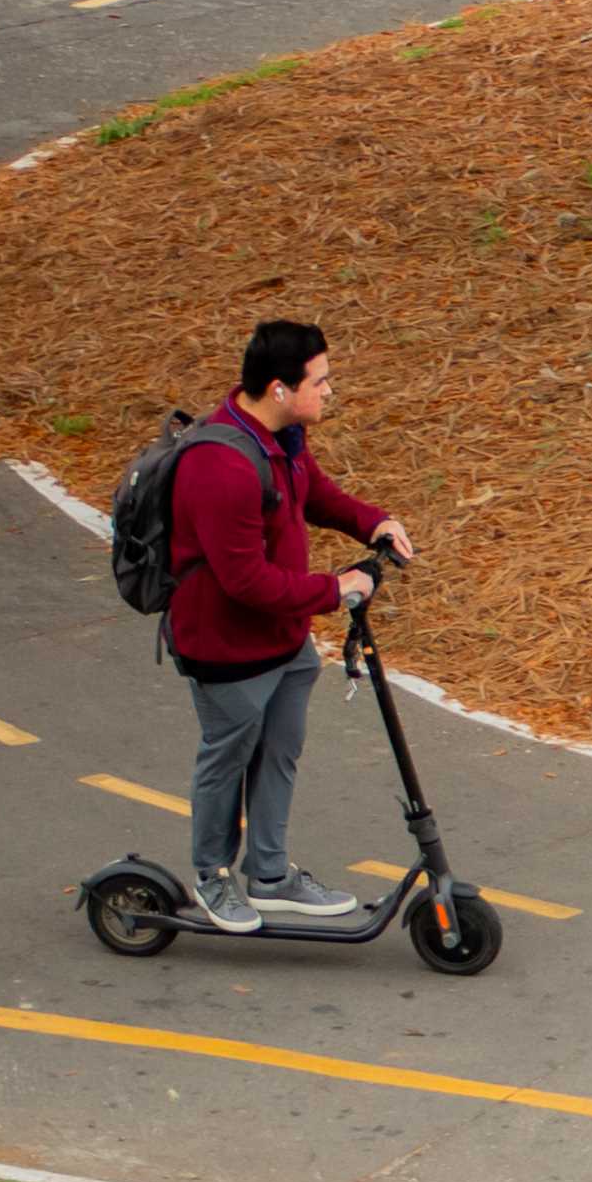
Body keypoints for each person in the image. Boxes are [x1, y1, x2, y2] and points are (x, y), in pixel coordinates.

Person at [166, 318, 410, 934]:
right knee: (227, 759)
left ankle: (269, 876)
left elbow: (315, 494)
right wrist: (336, 589)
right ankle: (212, 877)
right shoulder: (219, 466)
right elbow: (243, 581)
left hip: (283, 640)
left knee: (279, 753)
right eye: (321, 381)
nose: (330, 391)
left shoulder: (284, 439)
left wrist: (373, 523)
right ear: (280, 388)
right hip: (225, 646)